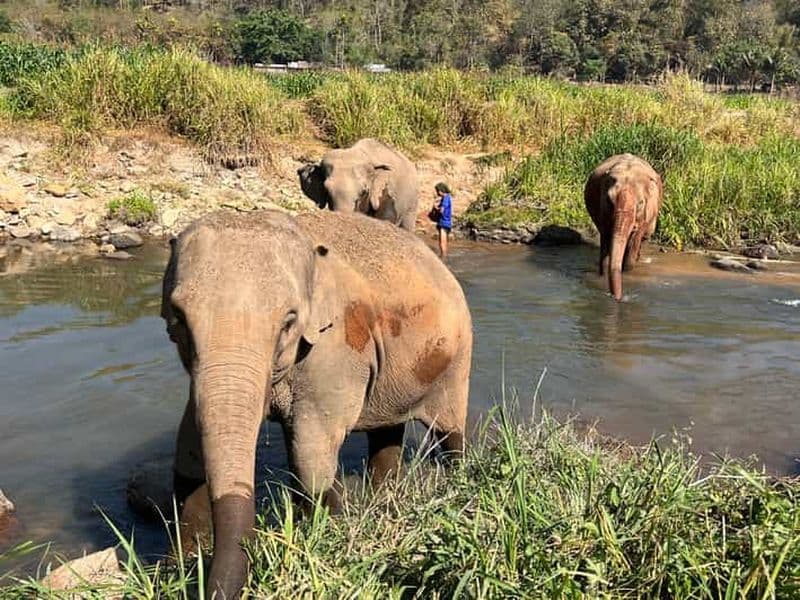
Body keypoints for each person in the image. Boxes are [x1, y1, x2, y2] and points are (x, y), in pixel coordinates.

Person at [432, 182, 452, 260]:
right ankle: (444, 256)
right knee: (444, 241)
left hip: (444, 222)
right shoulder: (447, 198)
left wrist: (435, 207)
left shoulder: (446, 198)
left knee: (442, 242)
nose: (437, 193)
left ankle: (443, 257)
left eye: (437, 191)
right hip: (446, 222)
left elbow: (442, 210)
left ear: (440, 191)